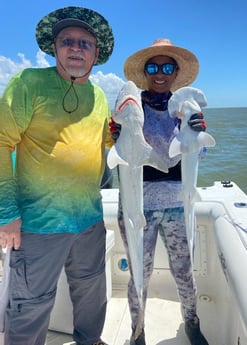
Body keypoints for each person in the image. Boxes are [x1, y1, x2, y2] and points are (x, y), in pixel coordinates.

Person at [0, 6, 114, 345]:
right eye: (68, 41)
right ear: (55, 47)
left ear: (97, 53)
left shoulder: (99, 96)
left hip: (89, 219)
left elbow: (114, 142)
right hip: (38, 224)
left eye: (85, 43)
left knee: (93, 292)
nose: (76, 48)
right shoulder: (28, 83)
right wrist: (6, 214)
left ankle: (90, 340)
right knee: (31, 304)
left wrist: (179, 126)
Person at [110, 38, 209, 345]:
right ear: (145, 71)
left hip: (178, 204)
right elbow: (118, 158)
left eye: (168, 66)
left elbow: (198, 156)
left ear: (176, 71)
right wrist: (115, 137)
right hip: (138, 205)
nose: (160, 72)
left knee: (184, 272)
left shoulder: (185, 109)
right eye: (153, 66)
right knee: (139, 272)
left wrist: (197, 131)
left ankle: (192, 322)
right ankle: (136, 329)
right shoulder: (130, 107)